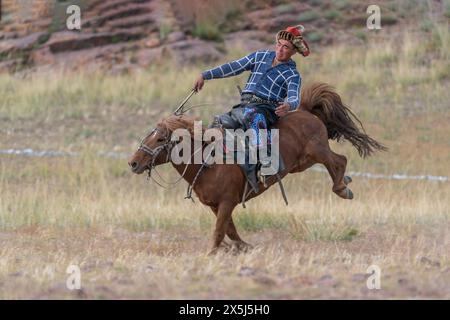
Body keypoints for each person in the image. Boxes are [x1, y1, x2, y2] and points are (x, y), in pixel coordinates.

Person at [193, 25, 310, 178]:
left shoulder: (292, 74)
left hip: (267, 109)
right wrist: (206, 75)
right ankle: (219, 161)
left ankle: (268, 159)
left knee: (253, 115)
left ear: (294, 51)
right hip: (244, 105)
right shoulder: (260, 56)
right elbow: (234, 66)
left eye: (286, 47)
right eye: (278, 44)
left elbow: (294, 96)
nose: (280, 49)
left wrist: (288, 105)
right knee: (220, 122)